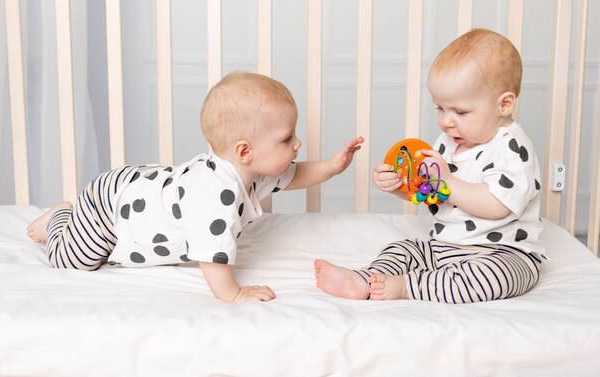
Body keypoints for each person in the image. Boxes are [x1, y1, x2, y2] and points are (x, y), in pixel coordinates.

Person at [27, 71, 364, 303]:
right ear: (245, 151)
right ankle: (60, 216)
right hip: (110, 207)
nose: (297, 143)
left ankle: (64, 216)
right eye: (286, 138)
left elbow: (296, 175)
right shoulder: (215, 195)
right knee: (69, 260)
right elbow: (211, 256)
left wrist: (332, 166)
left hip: (138, 188)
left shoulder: (251, 172)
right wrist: (232, 294)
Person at [314, 28, 546, 303]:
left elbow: (497, 206)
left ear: (504, 104)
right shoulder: (448, 141)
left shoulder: (512, 149)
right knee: (404, 249)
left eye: (460, 112)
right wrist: (399, 186)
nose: (447, 121)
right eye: (440, 108)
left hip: (501, 252)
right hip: (443, 247)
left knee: (493, 277)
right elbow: (429, 190)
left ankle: (406, 286)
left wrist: (447, 182)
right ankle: (366, 279)